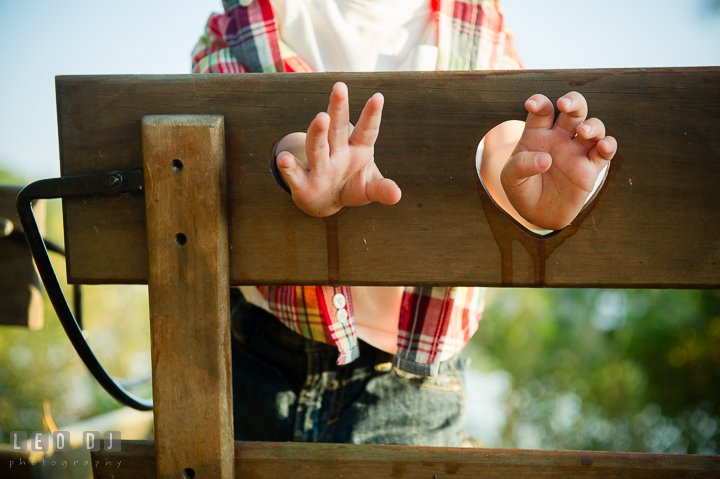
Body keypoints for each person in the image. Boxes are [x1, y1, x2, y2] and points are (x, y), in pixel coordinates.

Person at [192, 0, 617, 446]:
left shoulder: (477, 20)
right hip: (256, 353)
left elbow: (501, 140)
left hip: (413, 377)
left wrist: (526, 190)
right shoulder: (251, 16)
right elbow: (220, 130)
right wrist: (302, 161)